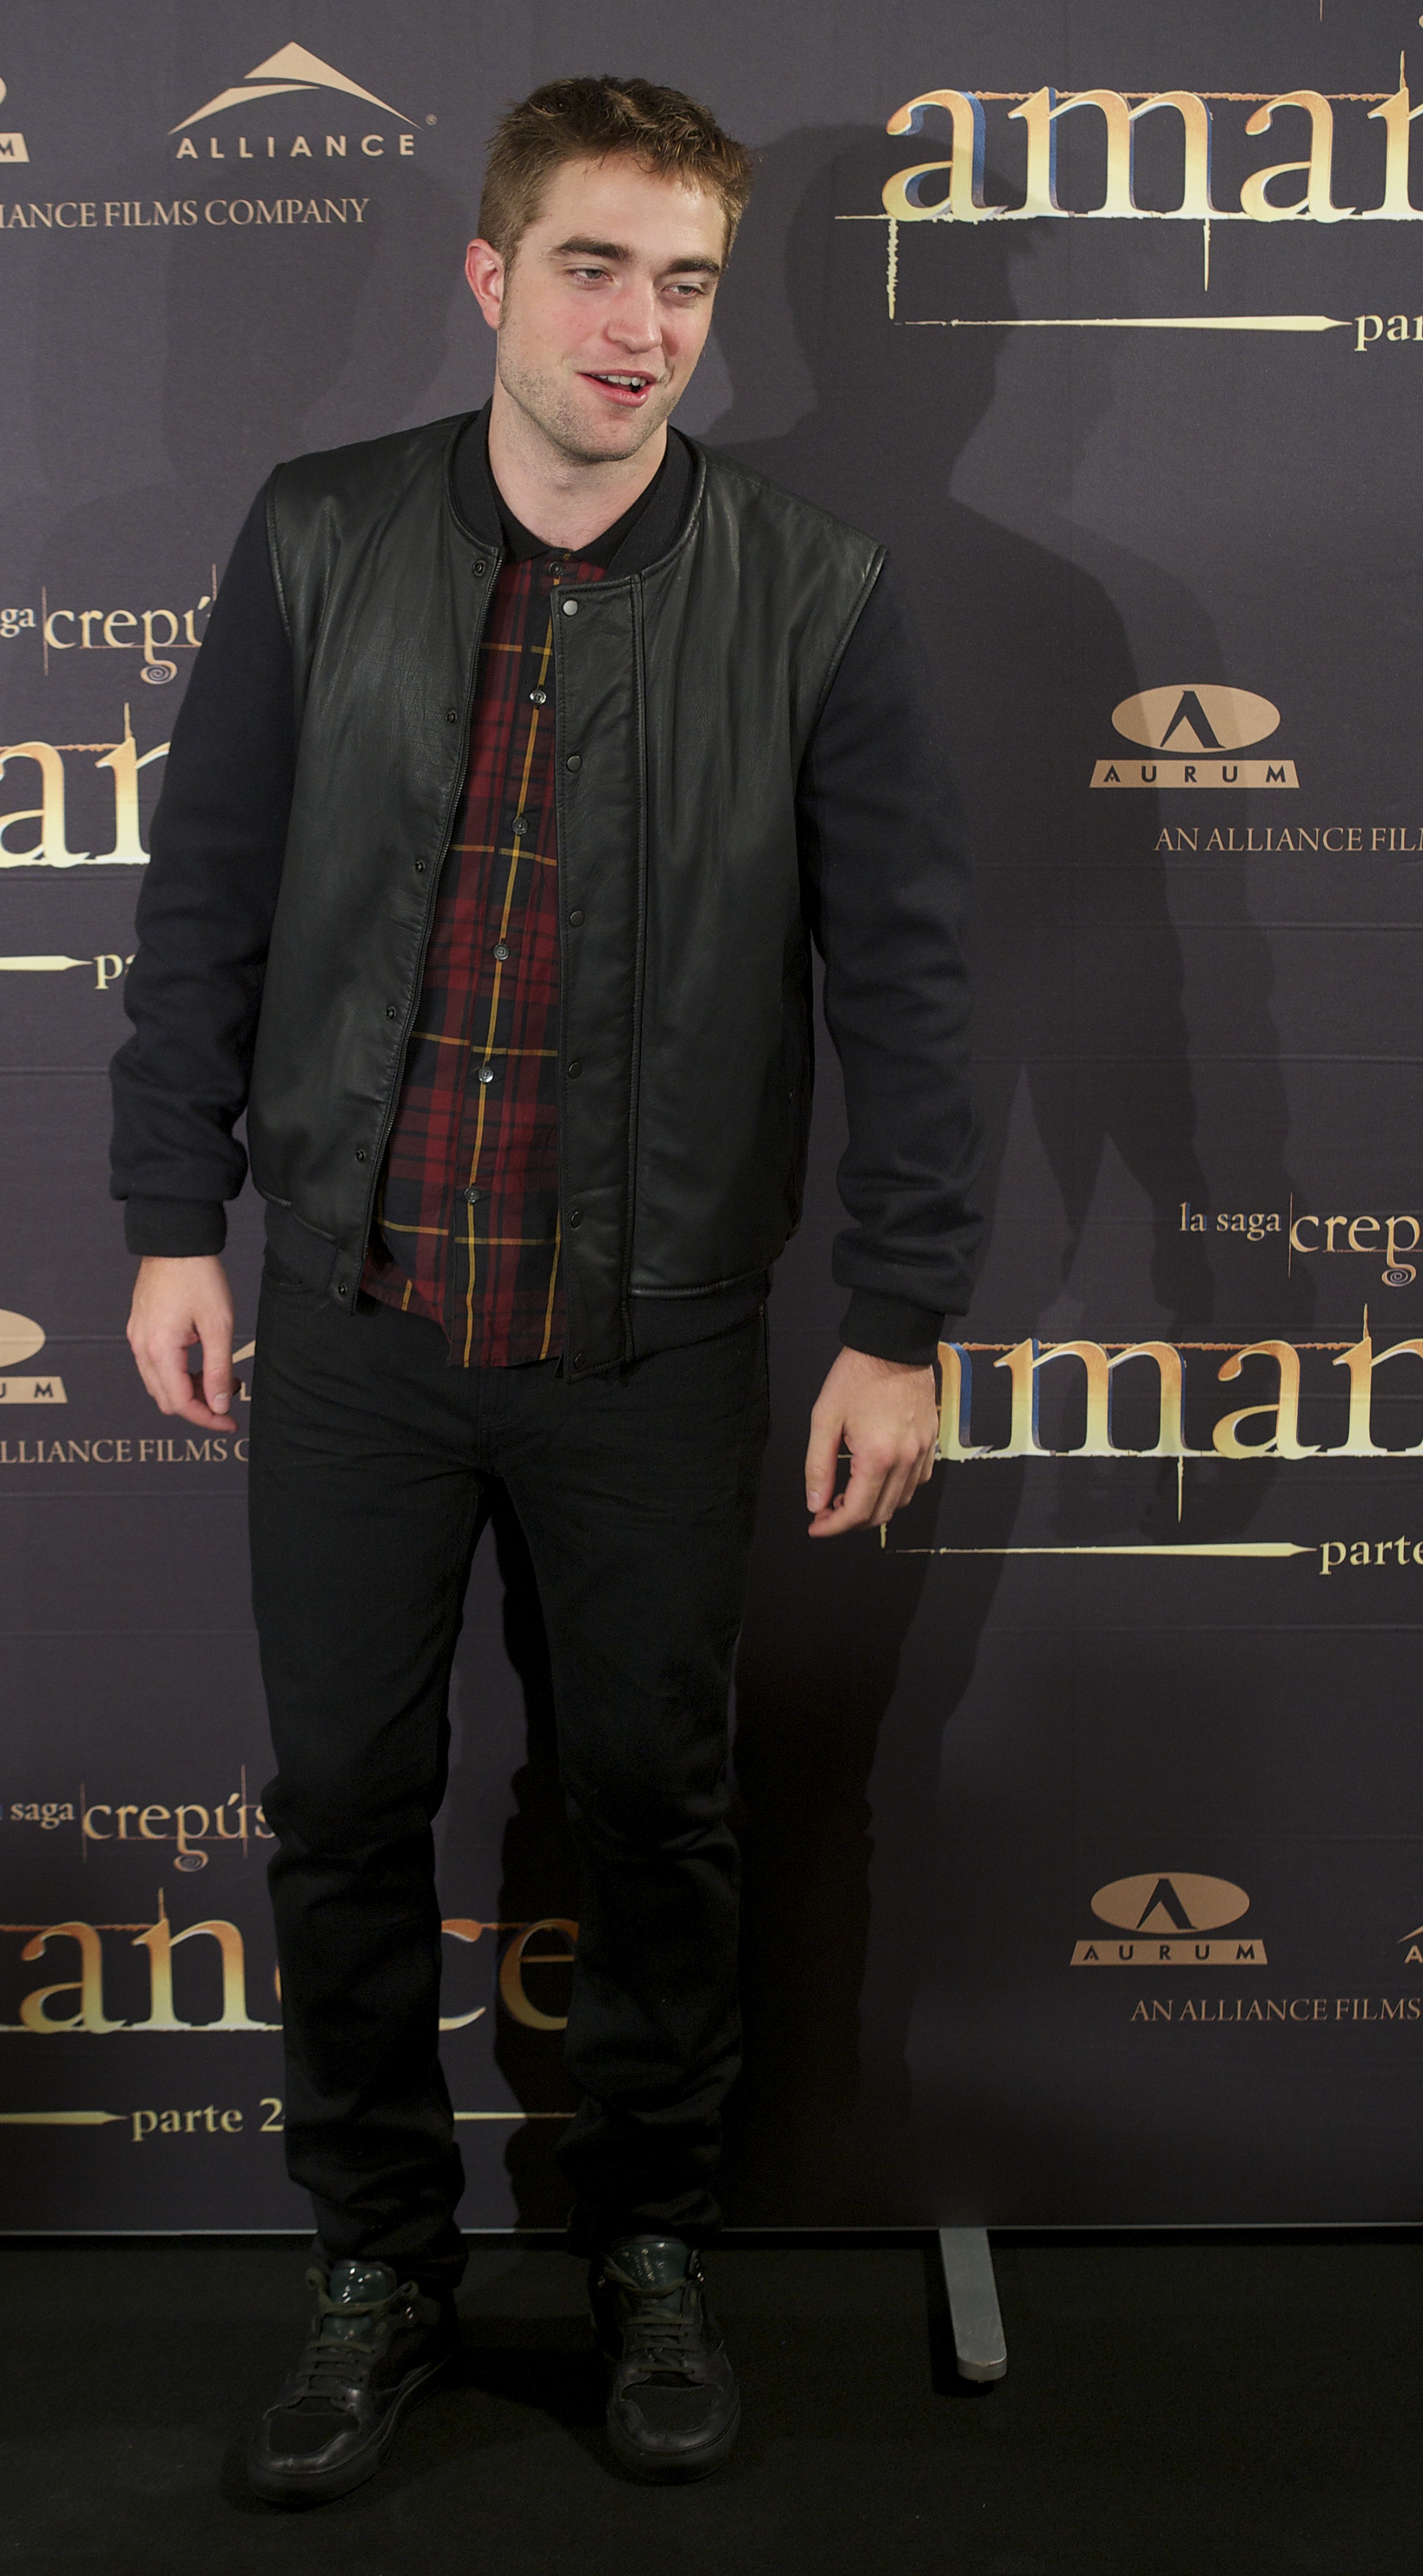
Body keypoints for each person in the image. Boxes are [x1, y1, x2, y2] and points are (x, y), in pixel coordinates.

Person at [111, 73, 979, 2503]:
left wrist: (901, 1317)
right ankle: (375, 2263)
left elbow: (911, 982)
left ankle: (648, 2245)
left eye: (687, 282)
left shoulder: (814, 588)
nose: (641, 328)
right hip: (357, 1317)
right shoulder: (319, 536)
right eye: (595, 269)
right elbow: (207, 901)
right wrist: (172, 1216)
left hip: (655, 1335)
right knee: (342, 1807)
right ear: (493, 277)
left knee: (655, 1808)